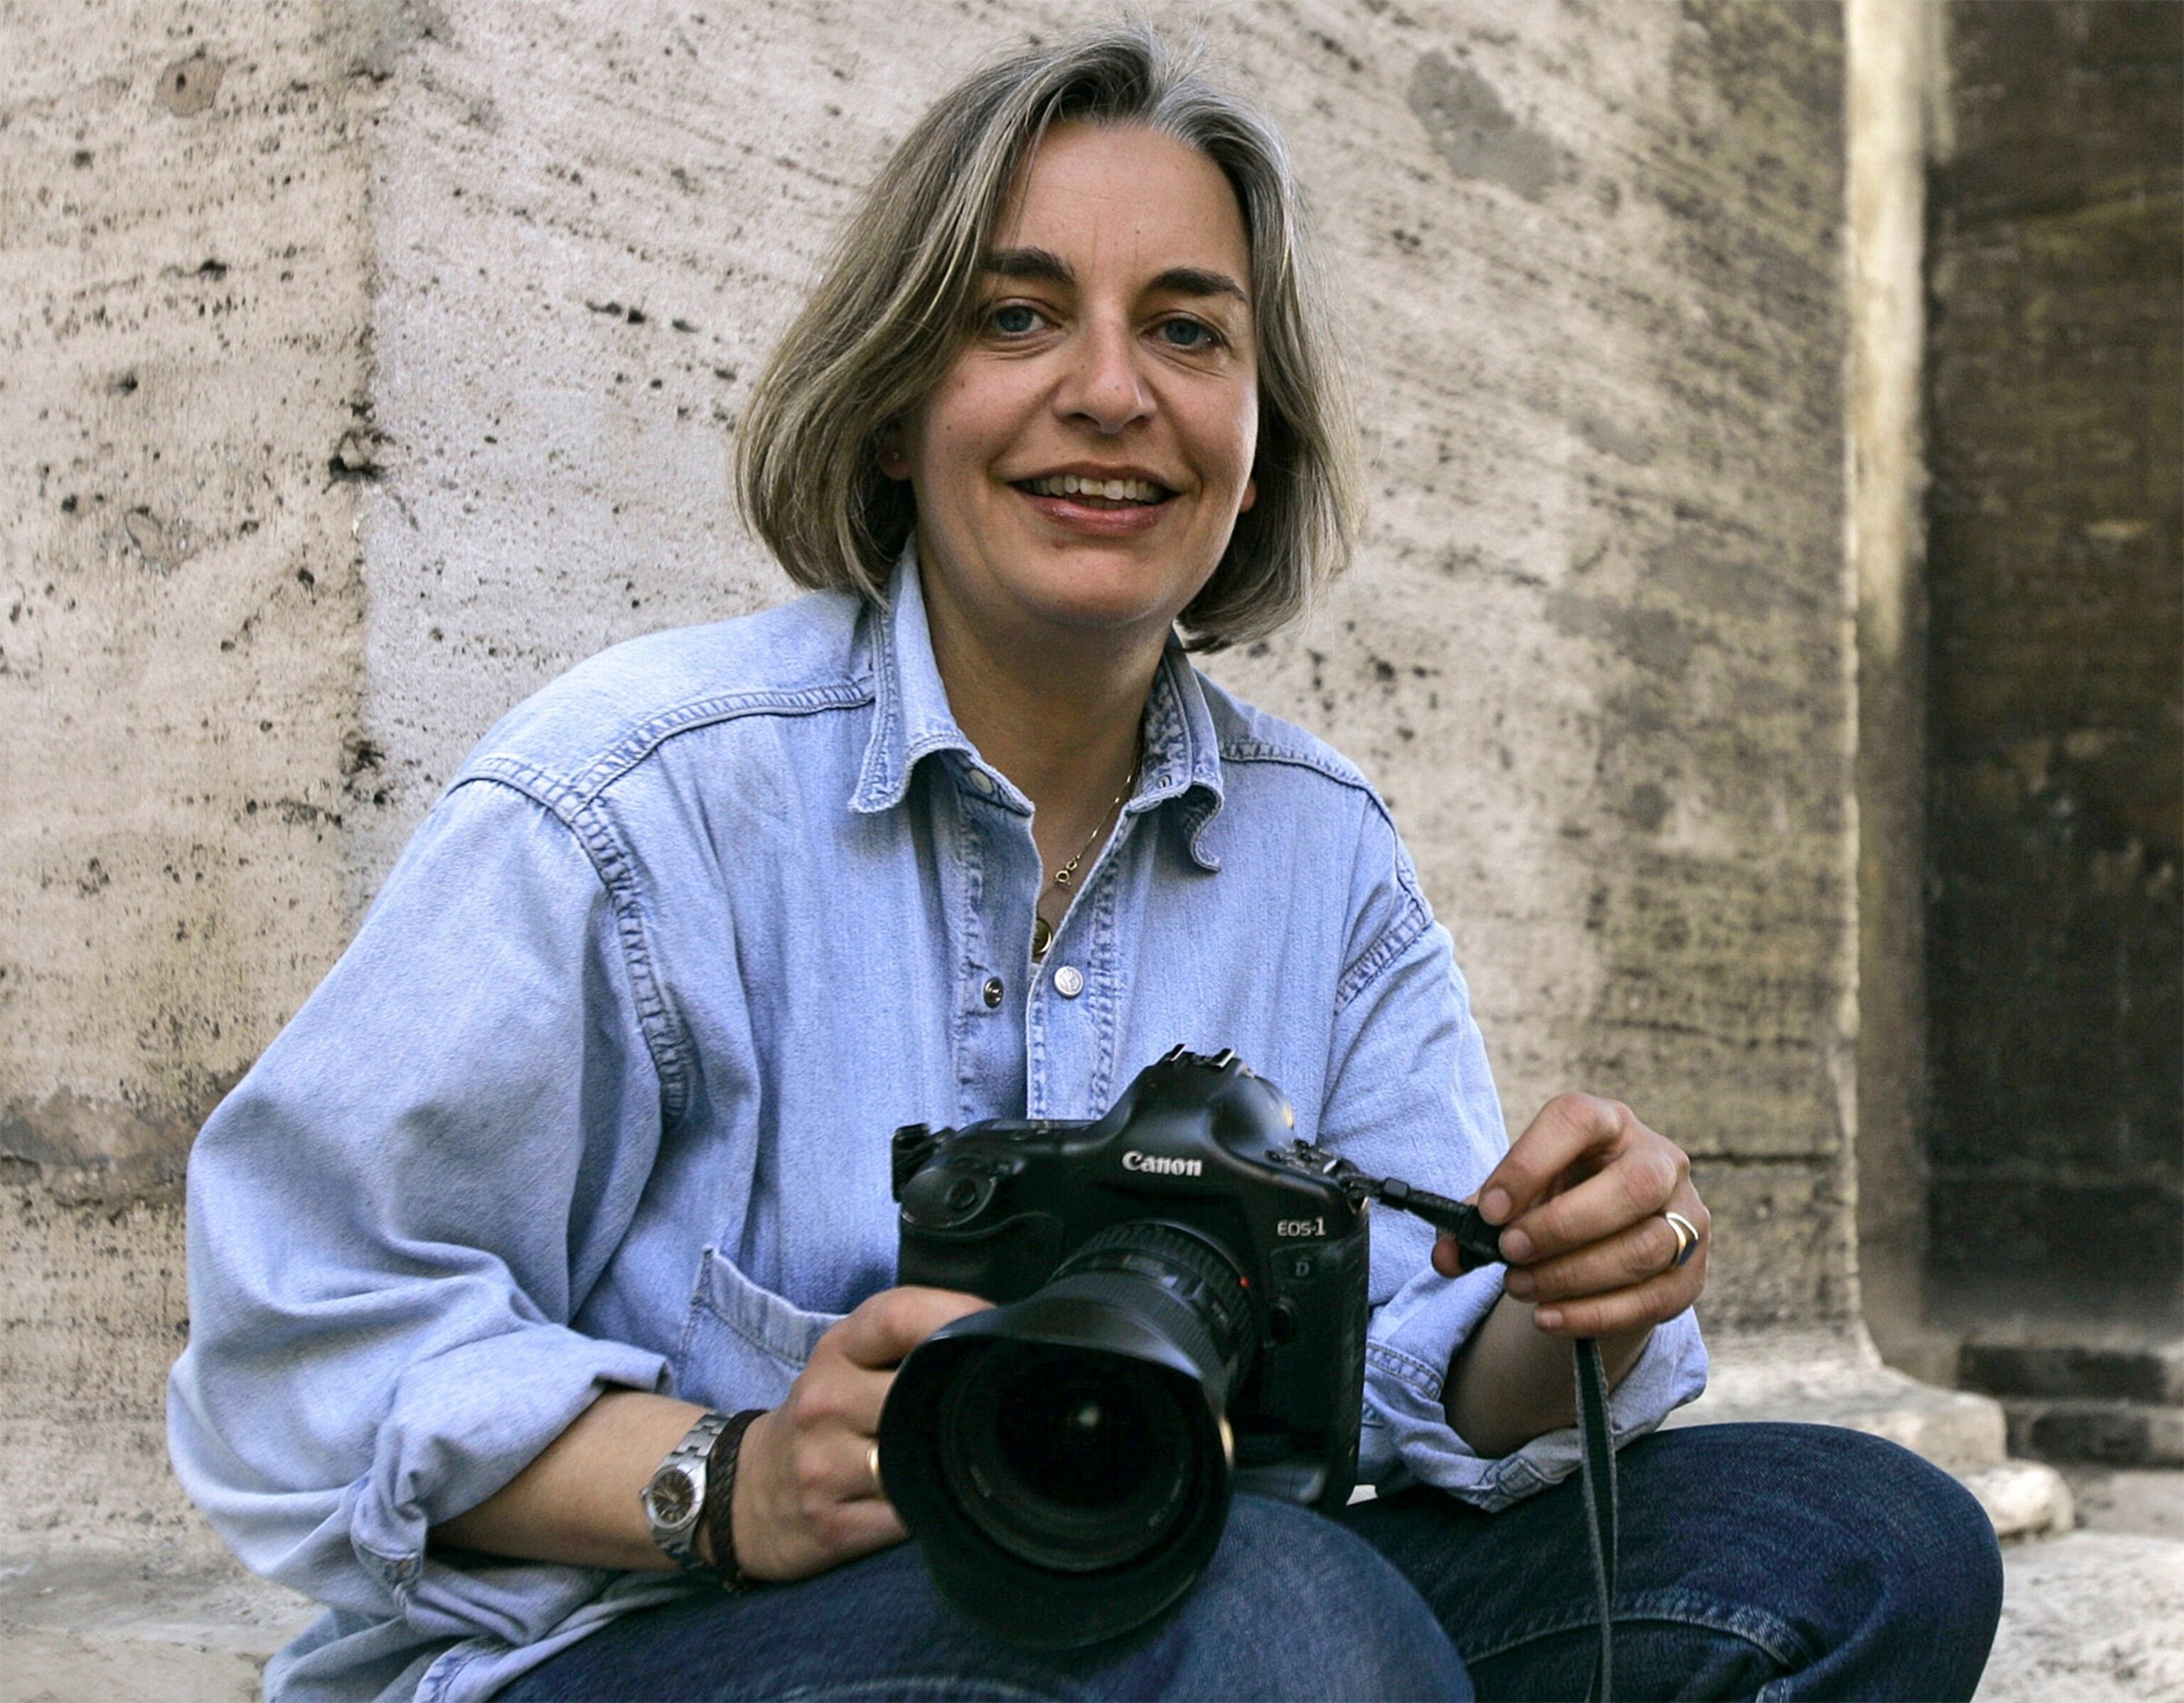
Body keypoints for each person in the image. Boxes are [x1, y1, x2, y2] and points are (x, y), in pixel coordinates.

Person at [168, 24, 2003, 1703]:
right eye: (1018, 316)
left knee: (1864, 1543)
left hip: (1208, 1592)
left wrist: (1570, 1299)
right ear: (896, 402)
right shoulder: (635, 799)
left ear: (1256, 440)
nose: (1112, 392)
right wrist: (730, 1480)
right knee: (1290, 1626)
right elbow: (299, 1347)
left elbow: (1418, 1375)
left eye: (1191, 332)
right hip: (672, 1638)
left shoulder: (1323, 855)